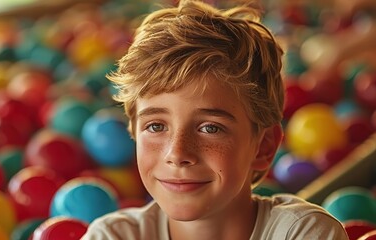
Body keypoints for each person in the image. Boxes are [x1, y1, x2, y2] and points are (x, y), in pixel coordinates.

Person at [81, 0, 348, 239]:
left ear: (264, 146)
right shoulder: (111, 235)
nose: (177, 153)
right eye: (156, 126)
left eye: (210, 128)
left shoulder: (303, 233)